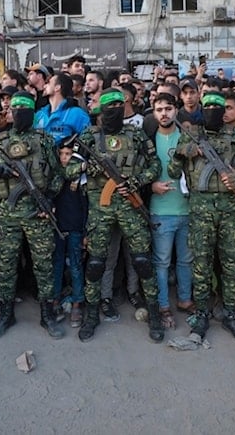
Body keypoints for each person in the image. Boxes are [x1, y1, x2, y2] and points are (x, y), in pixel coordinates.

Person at [73, 89, 165, 343]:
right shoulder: (89, 136)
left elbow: (154, 165)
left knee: (143, 262)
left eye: (119, 104)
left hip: (130, 208)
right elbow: (70, 167)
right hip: (100, 210)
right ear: (101, 110)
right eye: (109, 105)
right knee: (95, 264)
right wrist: (87, 166)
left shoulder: (135, 134)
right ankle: (92, 314)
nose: (115, 108)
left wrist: (135, 181)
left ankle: (154, 313)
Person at [169, 92, 235, 344]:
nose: (213, 112)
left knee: (231, 264)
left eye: (218, 108)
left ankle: (229, 311)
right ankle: (202, 312)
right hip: (200, 208)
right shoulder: (191, 134)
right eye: (208, 107)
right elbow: (174, 172)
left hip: (230, 208)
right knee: (201, 264)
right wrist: (185, 151)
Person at [0, 92, 62, 339]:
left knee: (44, 266)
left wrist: (48, 198)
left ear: (31, 112)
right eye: (13, 108)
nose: (17, 112)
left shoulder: (44, 140)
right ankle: (6, 312)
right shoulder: (0, 140)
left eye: (23, 108)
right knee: (5, 265)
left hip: (38, 214)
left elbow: (58, 174)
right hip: (8, 213)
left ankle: (47, 313)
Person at [148, 93, 193, 329]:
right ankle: (164, 306)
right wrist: (151, 186)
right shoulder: (148, 138)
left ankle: (185, 300)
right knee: (162, 262)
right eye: (159, 109)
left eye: (168, 108)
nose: (164, 113)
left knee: (186, 260)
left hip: (187, 210)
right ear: (153, 112)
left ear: (176, 110)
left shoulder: (187, 137)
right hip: (160, 211)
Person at [53, 138, 88, 328]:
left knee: (75, 266)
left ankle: (77, 302)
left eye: (68, 154)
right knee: (57, 265)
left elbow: (86, 207)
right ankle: (55, 300)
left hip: (75, 228)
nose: (65, 158)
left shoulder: (80, 179)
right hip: (57, 227)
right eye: (62, 154)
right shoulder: (55, 176)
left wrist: (85, 232)